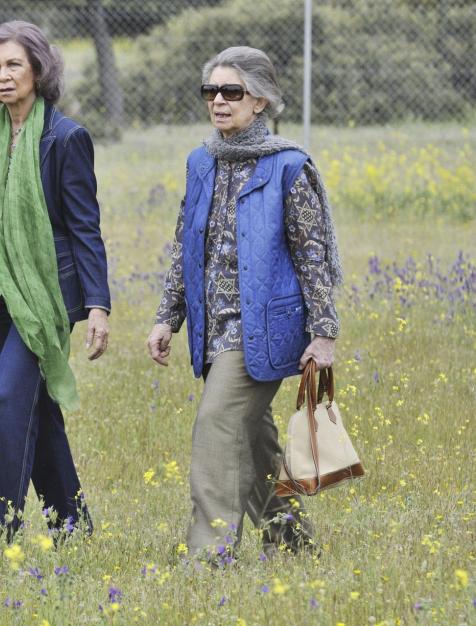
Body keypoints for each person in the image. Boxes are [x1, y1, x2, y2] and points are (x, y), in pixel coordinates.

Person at [146, 46, 343, 562]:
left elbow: (312, 254)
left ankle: (209, 555)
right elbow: (185, 245)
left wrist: (323, 334)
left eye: (231, 92)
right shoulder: (201, 161)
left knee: (217, 424)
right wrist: (168, 316)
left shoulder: (288, 167)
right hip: (213, 326)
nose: (218, 101)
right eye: (210, 91)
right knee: (253, 441)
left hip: (265, 327)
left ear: (260, 101)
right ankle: (291, 540)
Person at [0, 21, 111, 538]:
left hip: (46, 297)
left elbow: (85, 227)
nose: (3, 75)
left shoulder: (66, 138)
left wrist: (97, 306)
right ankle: (74, 528)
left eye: (14, 64)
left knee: (7, 403)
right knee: (39, 414)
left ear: (37, 68)